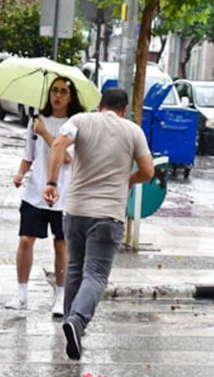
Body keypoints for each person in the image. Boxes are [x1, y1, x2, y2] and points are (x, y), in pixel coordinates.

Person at [43, 88, 154, 360]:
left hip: (76, 211)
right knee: (95, 274)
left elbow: (58, 144)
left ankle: (72, 326)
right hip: (108, 215)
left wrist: (51, 183)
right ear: (124, 109)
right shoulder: (133, 131)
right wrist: (129, 180)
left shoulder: (80, 121)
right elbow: (148, 171)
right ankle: (77, 321)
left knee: (74, 270)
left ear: (100, 105)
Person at [5, 76, 85, 317]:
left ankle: (60, 297)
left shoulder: (73, 125)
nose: (57, 95)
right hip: (35, 193)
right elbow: (29, 155)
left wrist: (47, 135)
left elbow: (68, 158)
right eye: (54, 90)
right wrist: (20, 174)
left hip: (64, 195)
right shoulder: (36, 121)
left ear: (71, 97)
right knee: (25, 241)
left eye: (62, 91)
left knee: (61, 246)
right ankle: (21, 293)